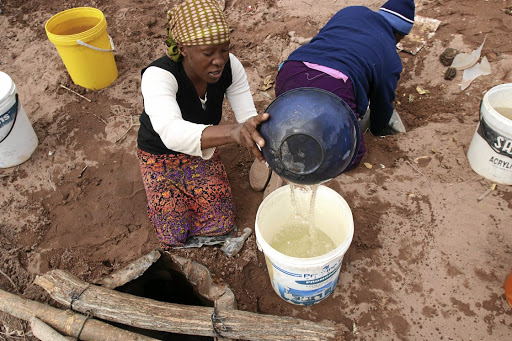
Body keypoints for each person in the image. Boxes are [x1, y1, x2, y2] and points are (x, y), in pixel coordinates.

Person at [137, 0, 267, 249]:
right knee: (173, 233)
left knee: (221, 222)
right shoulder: (159, 76)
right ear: (184, 49)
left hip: (200, 154)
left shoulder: (230, 67)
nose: (218, 61)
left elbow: (247, 119)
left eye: (224, 50)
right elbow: (172, 133)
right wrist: (234, 132)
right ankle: (158, 185)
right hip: (159, 155)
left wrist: (261, 136)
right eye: (208, 53)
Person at [272, 0, 415, 171]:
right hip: (334, 87)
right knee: (349, 156)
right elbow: (382, 101)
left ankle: (283, 146)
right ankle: (308, 172)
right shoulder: (391, 57)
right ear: (401, 35)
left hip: (290, 71)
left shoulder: (352, 12)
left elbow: (324, 38)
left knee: (295, 123)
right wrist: (378, 128)